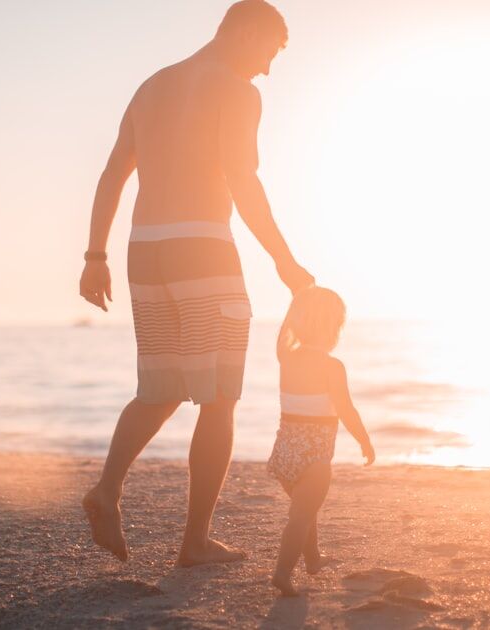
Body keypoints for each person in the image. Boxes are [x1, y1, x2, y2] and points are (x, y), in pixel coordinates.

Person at [78, 0, 314, 567]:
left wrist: (94, 255)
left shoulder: (153, 85)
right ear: (249, 31)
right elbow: (243, 180)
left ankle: (107, 489)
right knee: (219, 397)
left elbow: (114, 172)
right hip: (203, 249)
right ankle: (195, 543)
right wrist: (284, 260)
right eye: (269, 52)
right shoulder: (236, 90)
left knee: (159, 390)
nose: (267, 69)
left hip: (145, 250)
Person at [267, 287, 374, 596]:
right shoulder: (332, 366)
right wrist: (364, 441)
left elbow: (282, 334)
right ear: (334, 329)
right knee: (301, 516)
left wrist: (295, 305)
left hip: (285, 452)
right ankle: (282, 573)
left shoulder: (286, 357)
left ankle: (312, 559)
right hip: (314, 455)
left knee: (305, 508)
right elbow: (346, 410)